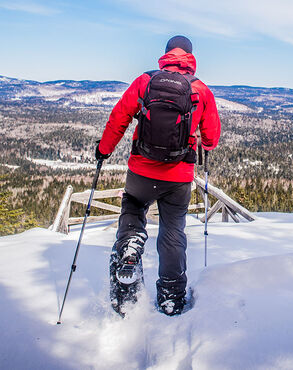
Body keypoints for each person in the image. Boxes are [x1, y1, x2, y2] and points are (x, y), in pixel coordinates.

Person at [96, 35, 221, 316]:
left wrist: (103, 151)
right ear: (190, 58)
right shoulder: (200, 90)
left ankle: (128, 259)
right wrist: (203, 141)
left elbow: (119, 118)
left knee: (133, 207)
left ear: (165, 55)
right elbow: (212, 138)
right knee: (173, 232)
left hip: (141, 170)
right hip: (178, 178)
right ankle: (171, 297)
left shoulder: (145, 82)